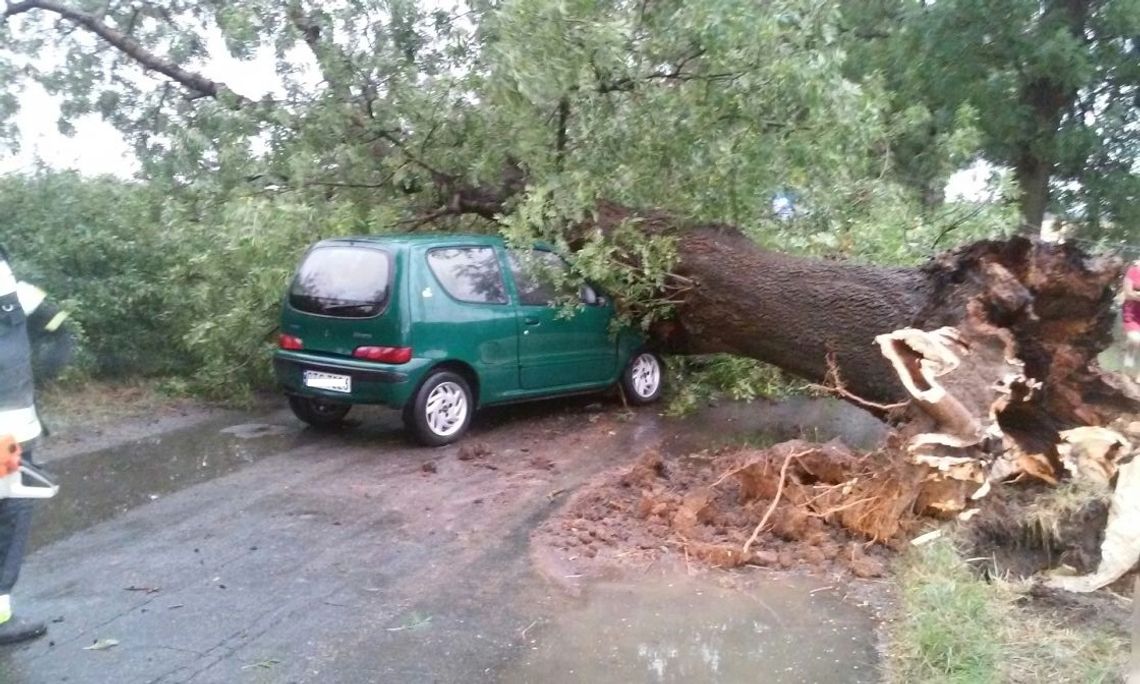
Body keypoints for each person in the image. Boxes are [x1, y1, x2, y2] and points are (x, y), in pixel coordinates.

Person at [0, 245, 68, 645]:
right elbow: (60, 330)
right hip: (10, 439)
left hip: (12, 435)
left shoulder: (21, 296)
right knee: (10, 516)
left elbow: (60, 328)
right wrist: (42, 372)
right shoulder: (20, 295)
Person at [1122, 259, 1140, 380]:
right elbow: (1128, 293)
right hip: (1132, 313)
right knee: (1135, 339)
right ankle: (1128, 363)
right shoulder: (1133, 270)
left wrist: (1137, 294)